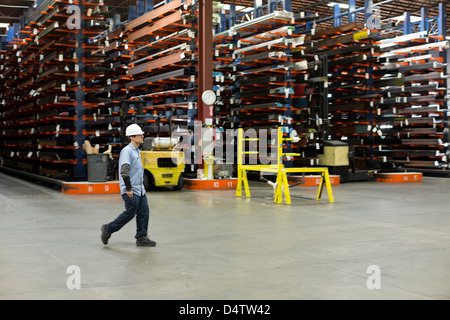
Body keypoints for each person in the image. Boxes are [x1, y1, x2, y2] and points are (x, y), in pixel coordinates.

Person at [101, 124, 156, 247]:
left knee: (144, 212)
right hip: (130, 189)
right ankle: (108, 229)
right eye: (139, 135)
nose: (143, 136)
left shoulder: (137, 151)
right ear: (132, 137)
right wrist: (129, 188)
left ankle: (141, 237)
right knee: (130, 213)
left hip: (140, 189)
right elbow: (124, 171)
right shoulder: (127, 151)